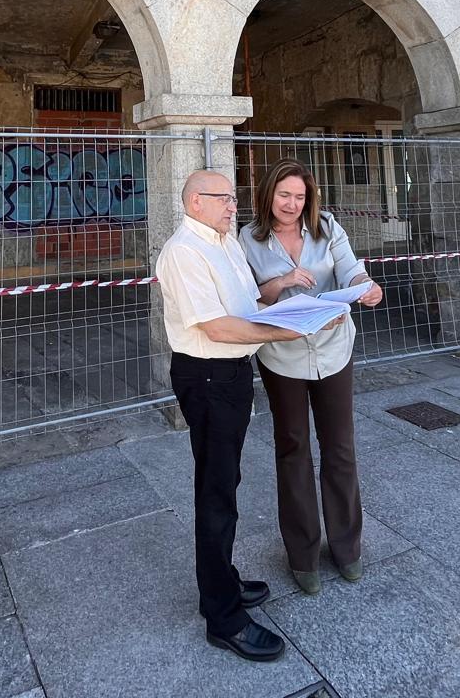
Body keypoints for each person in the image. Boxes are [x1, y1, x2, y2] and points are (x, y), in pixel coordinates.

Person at [155, 170, 343, 663]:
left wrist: (285, 292)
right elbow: (216, 327)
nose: (232, 205)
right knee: (216, 493)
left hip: (232, 375)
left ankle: (225, 581)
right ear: (195, 201)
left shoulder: (223, 243)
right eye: (222, 198)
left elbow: (248, 303)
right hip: (209, 376)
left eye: (233, 197)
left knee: (228, 481)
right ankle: (223, 616)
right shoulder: (183, 252)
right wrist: (290, 333)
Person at [238, 158, 382, 595]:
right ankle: (302, 554)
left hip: (334, 348)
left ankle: (347, 547)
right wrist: (280, 282)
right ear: (268, 195)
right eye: (285, 195)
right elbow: (246, 296)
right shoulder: (249, 238)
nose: (292, 204)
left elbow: (351, 269)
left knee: (340, 447)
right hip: (282, 354)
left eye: (300, 197)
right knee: (292, 447)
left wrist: (366, 286)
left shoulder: (327, 227)